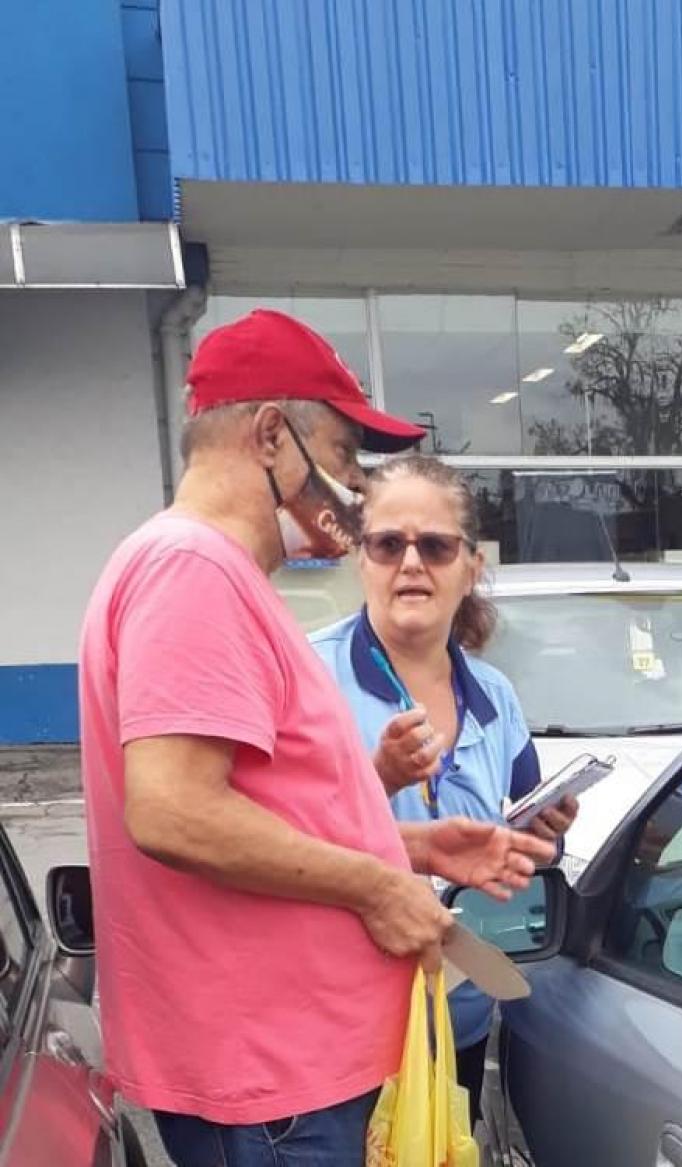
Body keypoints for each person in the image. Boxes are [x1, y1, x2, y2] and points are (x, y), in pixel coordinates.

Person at [78, 309, 555, 1167]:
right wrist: (377, 886)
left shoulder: (212, 574)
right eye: (340, 455)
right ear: (271, 436)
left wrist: (412, 844)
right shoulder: (193, 570)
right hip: (273, 1090)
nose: (352, 487)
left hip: (289, 1079)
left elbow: (259, 807)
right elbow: (175, 811)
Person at [310, 454, 578, 1125]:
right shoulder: (307, 676)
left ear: (470, 566)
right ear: (359, 558)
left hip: (456, 1012)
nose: (410, 563)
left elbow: (518, 842)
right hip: (340, 1032)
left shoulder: (494, 695)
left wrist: (542, 835)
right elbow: (265, 837)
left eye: (434, 545)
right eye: (387, 543)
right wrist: (379, 779)